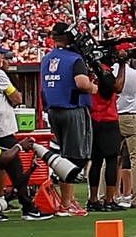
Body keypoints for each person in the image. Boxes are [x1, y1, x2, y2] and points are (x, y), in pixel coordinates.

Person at [40, 25, 96, 190]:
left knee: (62, 154)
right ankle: (66, 201)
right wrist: (94, 87)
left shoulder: (47, 58)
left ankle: (63, 198)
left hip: (53, 110)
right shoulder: (74, 59)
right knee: (74, 158)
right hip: (72, 108)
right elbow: (82, 83)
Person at [110, 41, 136, 208]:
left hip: (114, 116)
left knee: (111, 158)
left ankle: (108, 195)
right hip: (133, 116)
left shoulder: (108, 72)